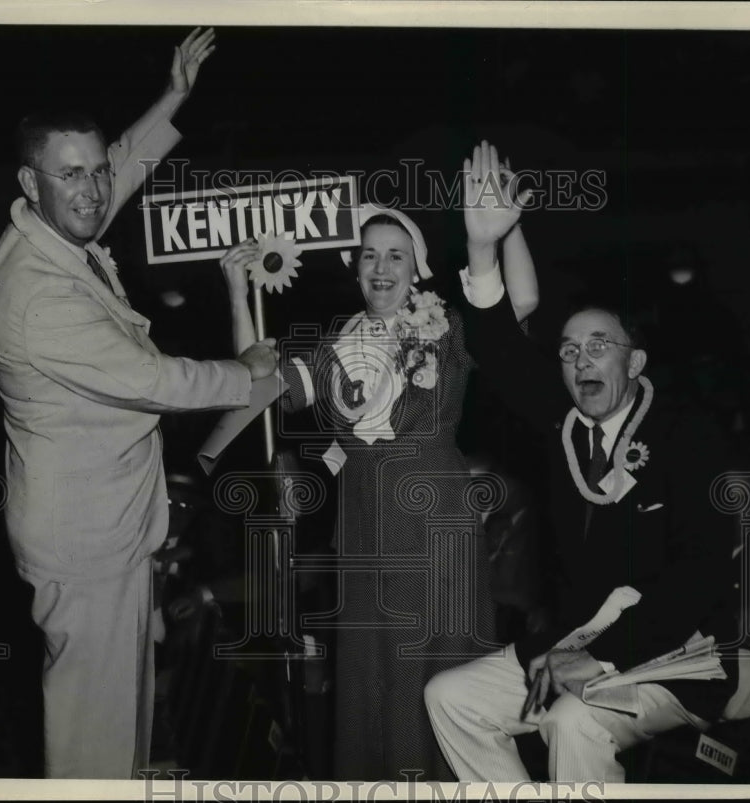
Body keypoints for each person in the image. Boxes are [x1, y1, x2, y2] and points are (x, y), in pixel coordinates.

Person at [0, 29, 277, 779]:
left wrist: (174, 95)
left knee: (121, 733)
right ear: (30, 183)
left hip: (102, 527)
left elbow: (120, 168)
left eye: (94, 171)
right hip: (82, 548)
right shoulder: (36, 294)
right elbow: (155, 380)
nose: (91, 190)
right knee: (94, 749)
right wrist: (246, 374)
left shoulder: (51, 232)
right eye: (69, 176)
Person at [219, 142, 535, 781]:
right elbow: (256, 386)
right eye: (370, 255)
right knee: (372, 683)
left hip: (435, 522)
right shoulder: (336, 345)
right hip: (363, 528)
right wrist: (236, 292)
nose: (382, 266)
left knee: (439, 680)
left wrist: (506, 231)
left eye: (396, 255)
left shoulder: (447, 322)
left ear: (416, 268)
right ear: (354, 268)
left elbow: (519, 305)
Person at [424, 224, 744, 780]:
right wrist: (481, 246)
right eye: (570, 350)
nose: (581, 360)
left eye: (599, 346)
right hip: (574, 638)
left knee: (572, 721)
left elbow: (701, 575)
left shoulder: (690, 436)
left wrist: (601, 655)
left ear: (636, 363)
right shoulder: (564, 426)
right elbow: (499, 351)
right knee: (450, 696)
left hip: (679, 652)